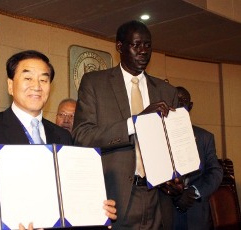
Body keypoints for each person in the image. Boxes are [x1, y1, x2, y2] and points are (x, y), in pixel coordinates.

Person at [0, 50, 117, 229]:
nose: (37, 86)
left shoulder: (62, 136)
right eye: (28, 78)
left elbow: (71, 192)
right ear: (10, 85)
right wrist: (2, 223)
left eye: (44, 79)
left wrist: (96, 211)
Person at [72, 20, 180, 230]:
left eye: (148, 46)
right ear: (119, 46)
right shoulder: (94, 83)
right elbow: (82, 135)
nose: (143, 51)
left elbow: (172, 146)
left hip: (158, 199)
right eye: (136, 45)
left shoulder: (167, 92)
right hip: (115, 198)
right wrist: (135, 123)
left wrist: (177, 178)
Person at [172, 86, 223, 230]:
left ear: (191, 105)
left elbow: (215, 172)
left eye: (184, 101)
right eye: (176, 100)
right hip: (168, 213)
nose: (180, 104)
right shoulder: (159, 136)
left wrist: (194, 191)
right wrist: (175, 195)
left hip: (197, 213)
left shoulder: (205, 137)